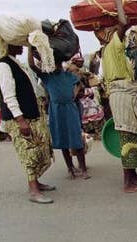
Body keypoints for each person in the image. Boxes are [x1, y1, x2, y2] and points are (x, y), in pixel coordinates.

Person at [96, 23, 137, 193]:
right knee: (127, 135)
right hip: (122, 95)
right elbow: (123, 23)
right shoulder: (113, 45)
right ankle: (128, 182)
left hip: (126, 92)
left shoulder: (117, 52)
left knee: (133, 133)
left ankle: (133, 174)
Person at [0, 43, 54, 204]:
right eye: (17, 43)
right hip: (20, 118)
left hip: (30, 115)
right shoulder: (3, 65)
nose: (21, 46)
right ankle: (33, 190)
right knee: (28, 153)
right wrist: (20, 120)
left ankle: (37, 183)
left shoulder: (14, 62)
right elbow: (8, 95)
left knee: (39, 150)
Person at [28, 52, 89, 180]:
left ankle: (83, 168)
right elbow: (32, 65)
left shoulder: (68, 75)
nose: (55, 66)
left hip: (70, 108)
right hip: (56, 110)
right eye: (52, 63)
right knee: (63, 140)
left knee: (76, 138)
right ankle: (70, 168)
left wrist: (74, 94)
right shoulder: (47, 77)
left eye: (56, 63)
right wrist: (29, 48)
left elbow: (79, 84)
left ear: (60, 63)